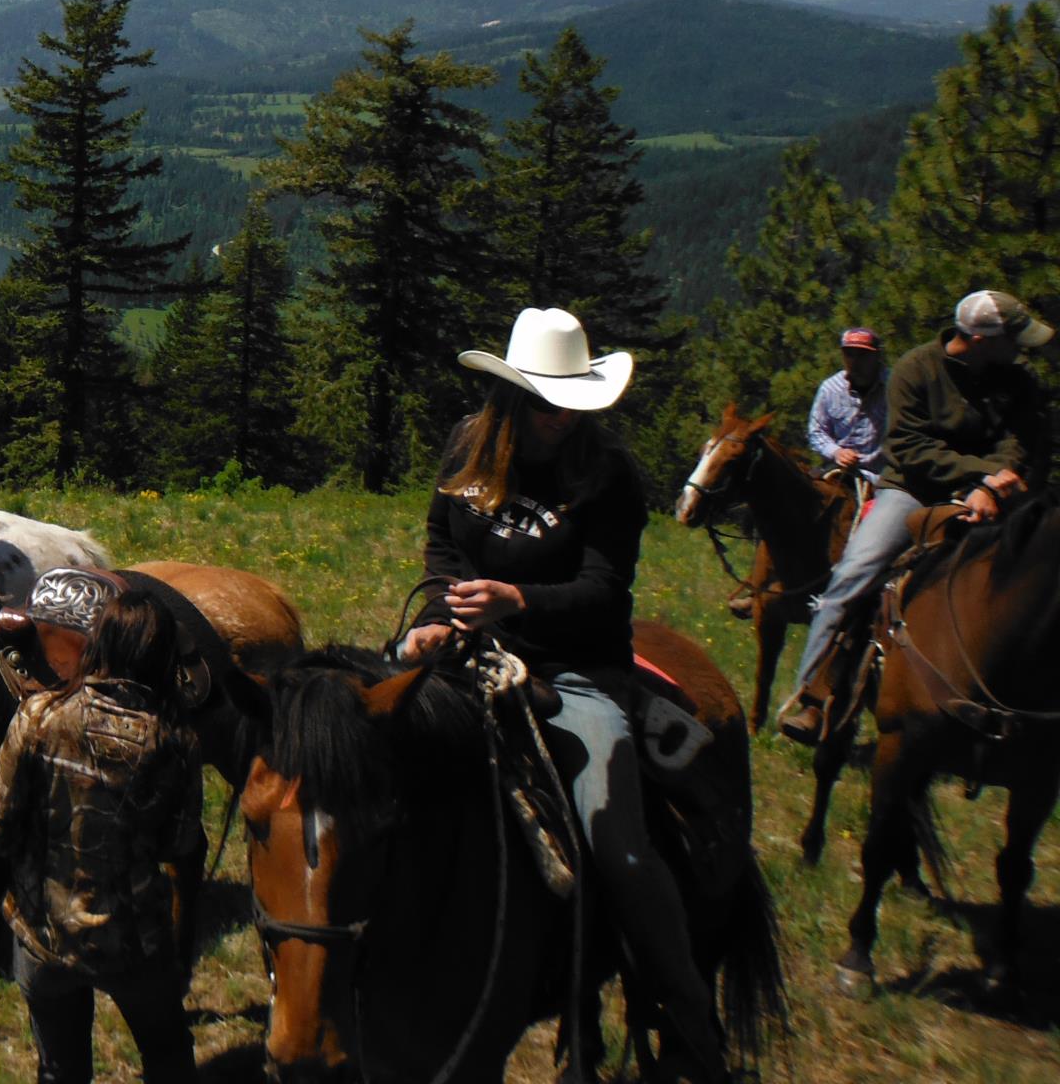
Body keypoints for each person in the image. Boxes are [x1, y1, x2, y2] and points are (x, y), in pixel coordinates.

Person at [400, 306, 731, 1084]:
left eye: (569, 405)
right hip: (468, 647)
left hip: (576, 672)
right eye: (545, 402)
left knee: (616, 839)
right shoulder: (468, 446)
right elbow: (443, 544)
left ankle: (689, 1014)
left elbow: (604, 590)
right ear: (512, 397)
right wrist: (432, 620)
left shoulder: (609, 476)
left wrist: (517, 602)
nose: (558, 418)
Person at [778, 289, 1051, 745]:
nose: (1022, 347)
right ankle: (814, 697)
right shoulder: (916, 368)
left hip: (993, 493)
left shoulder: (1017, 380)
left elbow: (1019, 439)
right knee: (851, 576)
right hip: (913, 490)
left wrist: (995, 481)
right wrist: (985, 476)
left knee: (1036, 575)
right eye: (1014, 338)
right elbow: (909, 448)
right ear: (983, 340)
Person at [0, 591, 202, 1084]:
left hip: (43, 934)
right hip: (137, 942)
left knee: (60, 1068)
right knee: (168, 1057)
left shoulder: (39, 715)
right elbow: (179, 845)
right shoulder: (176, 741)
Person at [806, 326, 888, 482]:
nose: (855, 362)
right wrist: (837, 452)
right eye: (849, 355)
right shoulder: (830, 388)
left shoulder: (894, 386)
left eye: (863, 355)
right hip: (838, 471)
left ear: (877, 356)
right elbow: (816, 431)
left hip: (882, 475)